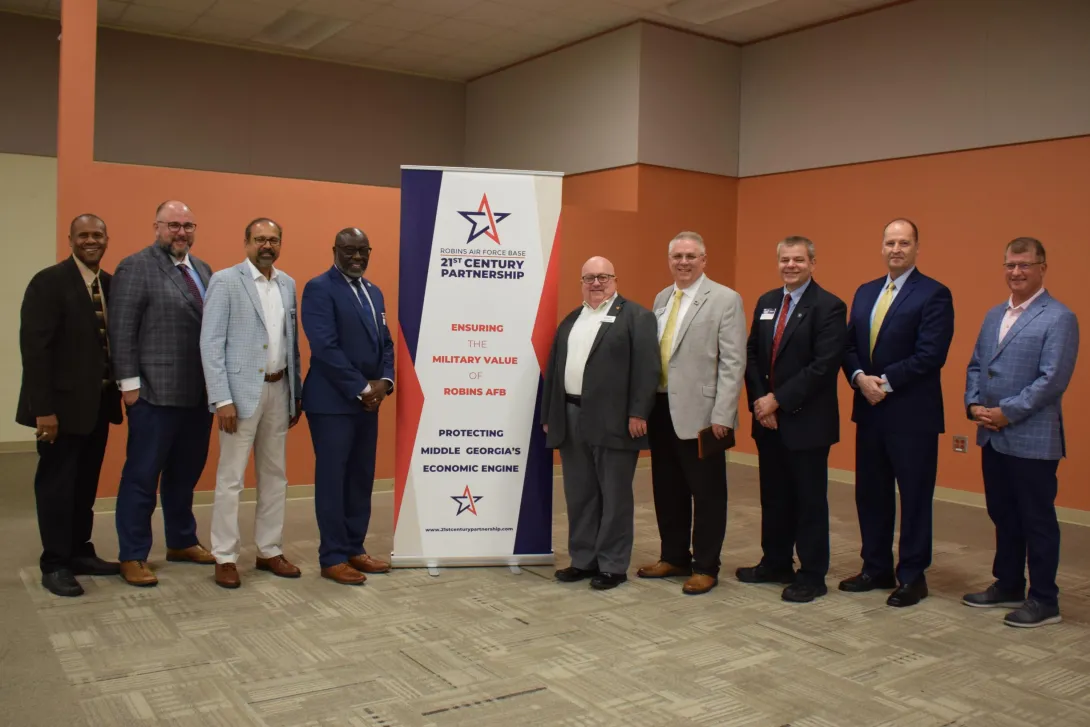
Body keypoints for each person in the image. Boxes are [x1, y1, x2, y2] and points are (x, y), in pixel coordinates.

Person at [963, 237, 1079, 628]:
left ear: (1042, 267)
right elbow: (976, 364)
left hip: (1031, 437)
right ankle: (1008, 583)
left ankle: (1045, 599)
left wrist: (1005, 413)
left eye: (1025, 265)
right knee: (1003, 514)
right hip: (992, 435)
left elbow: (1052, 381)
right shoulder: (995, 315)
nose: (1016, 272)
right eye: (1010, 265)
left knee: (1037, 519)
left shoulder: (1058, 317)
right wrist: (974, 405)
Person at [840, 218, 954, 607]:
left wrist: (882, 383)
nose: (896, 249)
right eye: (890, 242)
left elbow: (930, 355)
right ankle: (875, 567)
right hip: (869, 411)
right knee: (870, 494)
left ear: (917, 248)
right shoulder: (866, 291)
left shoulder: (934, 294)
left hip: (911, 415)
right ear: (882, 247)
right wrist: (858, 377)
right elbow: (849, 345)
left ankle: (912, 575)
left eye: (904, 243)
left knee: (915, 496)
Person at [108, 200, 216, 587]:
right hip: (153, 394)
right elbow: (121, 330)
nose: (181, 232)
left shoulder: (202, 270)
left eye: (188, 225)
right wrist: (130, 387)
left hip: (198, 395)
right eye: (173, 225)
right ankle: (133, 554)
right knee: (141, 476)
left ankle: (181, 540)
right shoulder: (136, 266)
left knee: (185, 475)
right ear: (156, 227)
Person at [16, 214, 124, 597]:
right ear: (71, 239)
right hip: (59, 412)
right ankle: (56, 563)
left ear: (107, 238)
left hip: (97, 406)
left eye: (97, 234)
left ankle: (81, 551)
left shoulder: (110, 285)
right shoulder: (48, 282)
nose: (91, 240)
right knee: (57, 487)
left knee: (85, 487)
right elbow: (36, 351)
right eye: (84, 235)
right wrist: (43, 410)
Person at [637, 231, 746, 595]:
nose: (683, 262)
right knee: (667, 488)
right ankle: (674, 556)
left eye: (690, 256)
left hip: (703, 415)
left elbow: (733, 361)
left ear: (704, 259)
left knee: (708, 492)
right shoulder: (663, 298)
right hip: (662, 408)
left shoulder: (725, 299)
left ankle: (705, 565)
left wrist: (723, 414)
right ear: (669, 260)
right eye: (677, 256)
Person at [738, 236, 847, 602]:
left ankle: (812, 574)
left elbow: (823, 366)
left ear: (813, 263)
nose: (790, 266)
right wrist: (759, 401)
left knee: (809, 502)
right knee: (774, 497)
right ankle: (776, 562)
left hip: (806, 423)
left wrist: (777, 401)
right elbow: (752, 354)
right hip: (766, 421)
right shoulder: (768, 302)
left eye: (798, 260)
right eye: (785, 259)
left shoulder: (829, 307)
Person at [541, 257, 659, 590]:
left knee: (614, 495)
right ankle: (583, 559)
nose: (596, 283)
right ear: (581, 282)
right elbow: (555, 371)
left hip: (616, 421)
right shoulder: (571, 320)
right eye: (589, 277)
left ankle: (612, 564)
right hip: (571, 416)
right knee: (580, 494)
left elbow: (648, 369)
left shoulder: (636, 317)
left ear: (615, 279)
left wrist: (639, 413)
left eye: (603, 276)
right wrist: (551, 415)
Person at [200, 218, 303, 589]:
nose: (267, 245)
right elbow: (211, 344)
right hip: (239, 396)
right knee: (231, 479)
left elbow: (291, 344)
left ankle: (269, 549)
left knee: (275, 476)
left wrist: (295, 395)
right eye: (259, 239)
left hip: (279, 389)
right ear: (246, 242)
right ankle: (225, 555)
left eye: (273, 239)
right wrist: (221, 398)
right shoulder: (226, 282)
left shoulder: (288, 284)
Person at [301, 227, 394, 585]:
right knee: (333, 480)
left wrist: (385, 383)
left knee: (360, 478)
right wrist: (360, 387)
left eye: (363, 250)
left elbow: (385, 343)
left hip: (369, 404)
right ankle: (333, 556)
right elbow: (324, 347)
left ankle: (355, 547)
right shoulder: (319, 288)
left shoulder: (374, 291)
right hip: (332, 404)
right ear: (335, 250)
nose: (357, 257)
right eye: (349, 250)